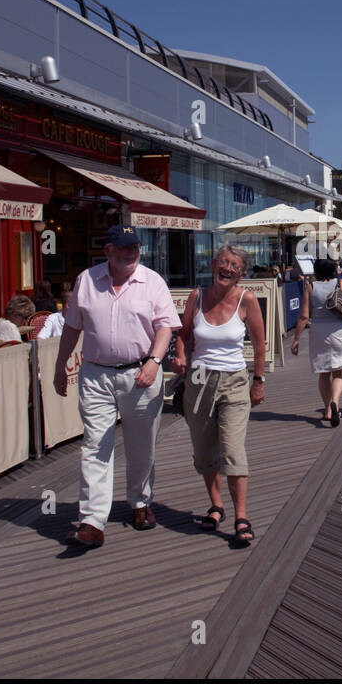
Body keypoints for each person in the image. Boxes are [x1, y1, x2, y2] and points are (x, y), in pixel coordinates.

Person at [53, 225, 180, 547]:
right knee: (95, 445)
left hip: (140, 374)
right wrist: (59, 366)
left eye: (135, 246)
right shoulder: (87, 280)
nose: (131, 252)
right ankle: (93, 520)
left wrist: (154, 361)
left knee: (141, 447)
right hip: (95, 374)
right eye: (124, 247)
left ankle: (140, 502)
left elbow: (165, 326)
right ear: (107, 250)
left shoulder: (152, 282)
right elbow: (71, 328)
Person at [171, 245, 267, 546]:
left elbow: (260, 345)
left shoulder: (246, 299)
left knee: (233, 450)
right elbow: (184, 334)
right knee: (203, 450)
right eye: (223, 262)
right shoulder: (197, 297)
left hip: (235, 382)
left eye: (234, 265)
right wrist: (182, 356)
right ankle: (216, 506)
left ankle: (241, 516)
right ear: (213, 265)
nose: (227, 268)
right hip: (198, 382)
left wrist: (258, 381)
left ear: (242, 273)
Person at [291, 257, 342, 426]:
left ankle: (328, 411)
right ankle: (335, 403)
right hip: (340, 330)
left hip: (319, 331)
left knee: (324, 373)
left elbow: (304, 316)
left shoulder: (311, 287)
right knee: (339, 372)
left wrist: (296, 340)